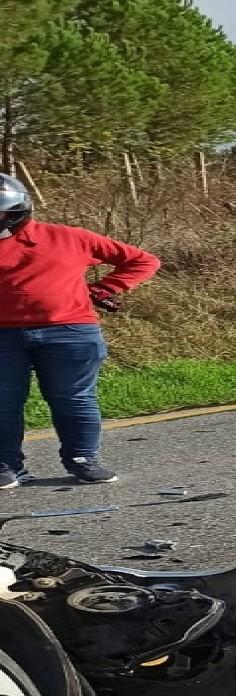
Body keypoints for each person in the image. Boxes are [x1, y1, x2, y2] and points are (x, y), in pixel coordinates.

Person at [0, 175, 158, 488]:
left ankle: (83, 459)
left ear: (17, 211)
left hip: (70, 331)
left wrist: (104, 289)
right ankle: (5, 465)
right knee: (3, 401)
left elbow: (143, 261)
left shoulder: (68, 237)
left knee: (73, 398)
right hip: (3, 335)